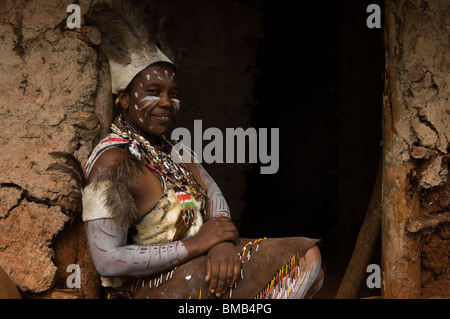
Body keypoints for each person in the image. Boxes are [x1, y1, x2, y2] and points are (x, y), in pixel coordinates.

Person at [78, 1, 324, 299]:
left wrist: (220, 244)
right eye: (153, 92)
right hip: (145, 288)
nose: (167, 103)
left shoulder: (173, 152)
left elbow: (215, 199)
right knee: (303, 263)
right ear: (125, 99)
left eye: (174, 94)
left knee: (310, 260)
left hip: (194, 264)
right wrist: (196, 245)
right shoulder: (112, 161)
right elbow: (106, 260)